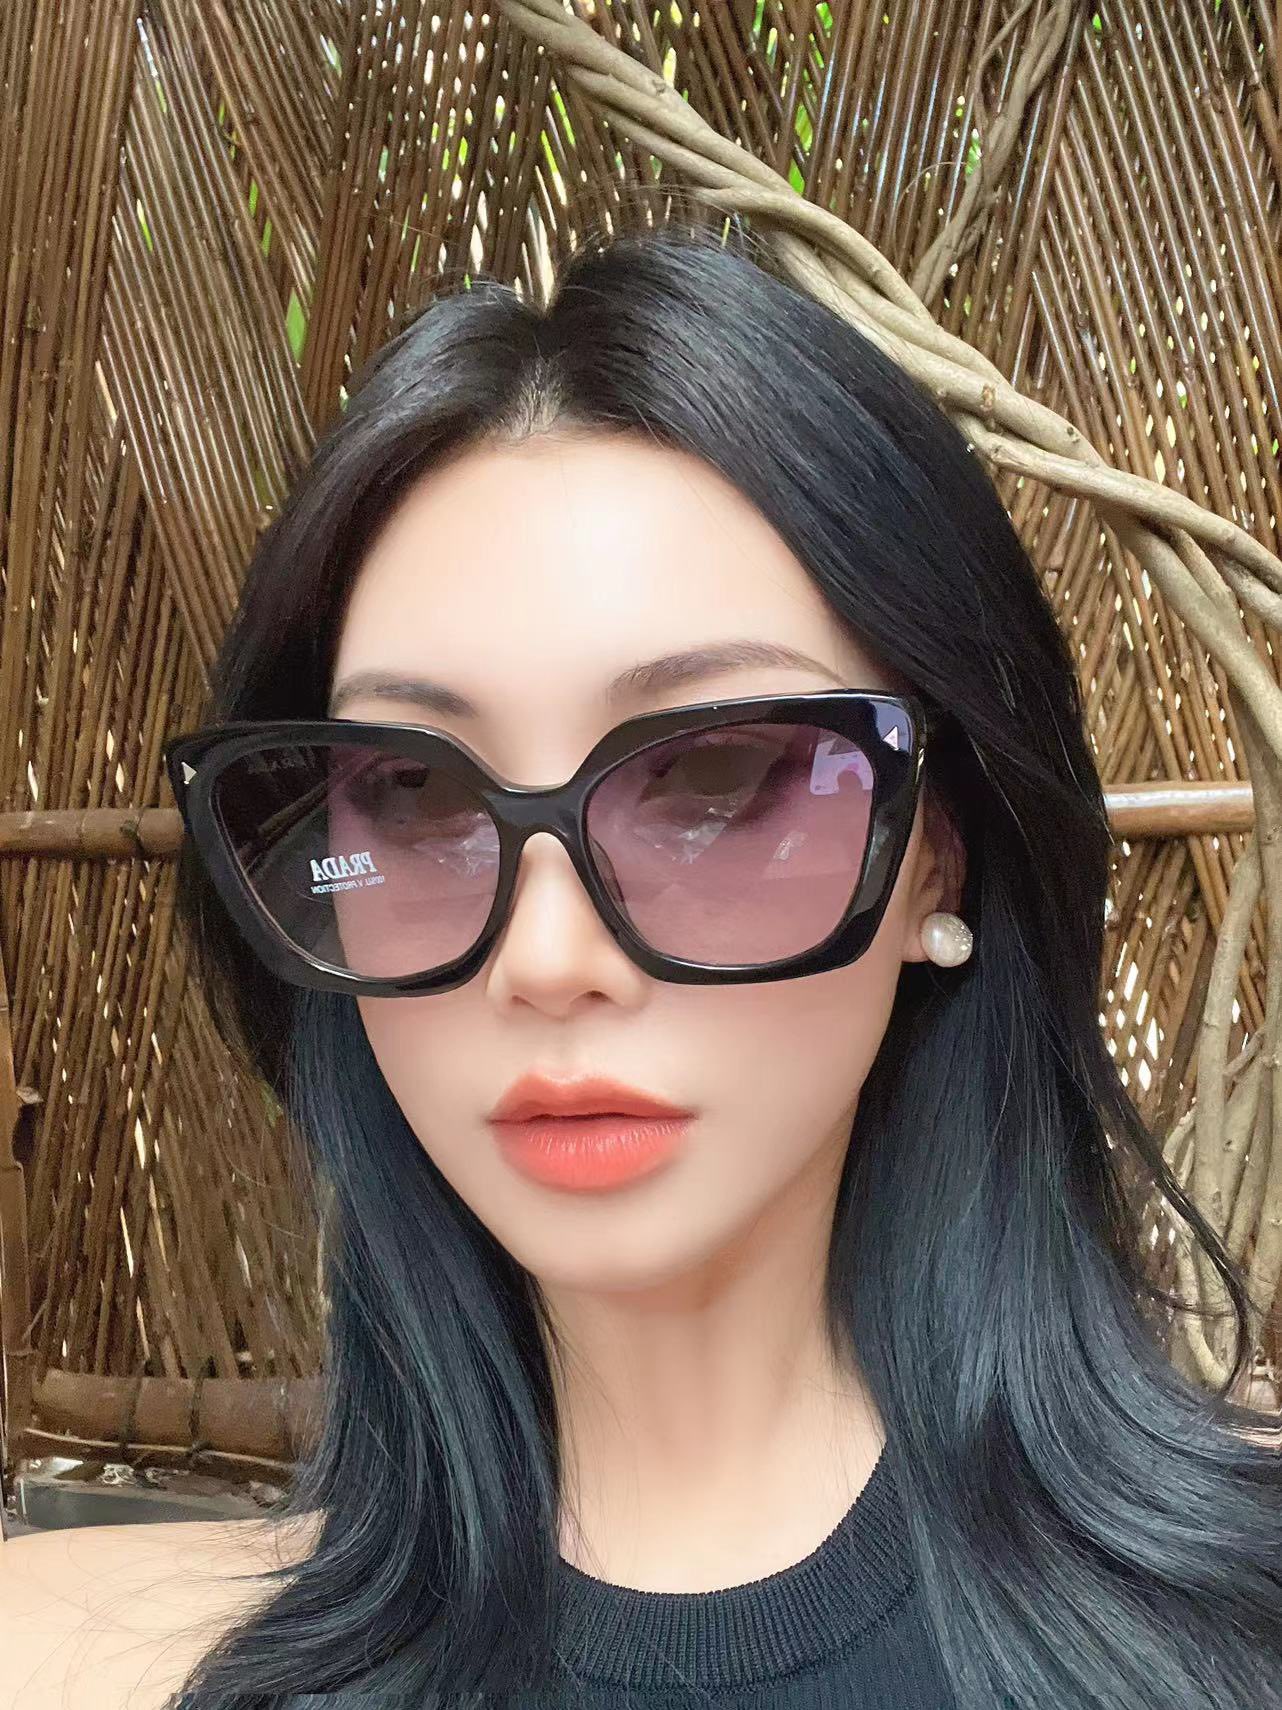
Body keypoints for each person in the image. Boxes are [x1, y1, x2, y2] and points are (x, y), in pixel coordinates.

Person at [4, 214, 1280, 1710]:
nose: (549, 959)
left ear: (938, 856)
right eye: (410, 792)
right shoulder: (73, 1661)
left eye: (716, 779)